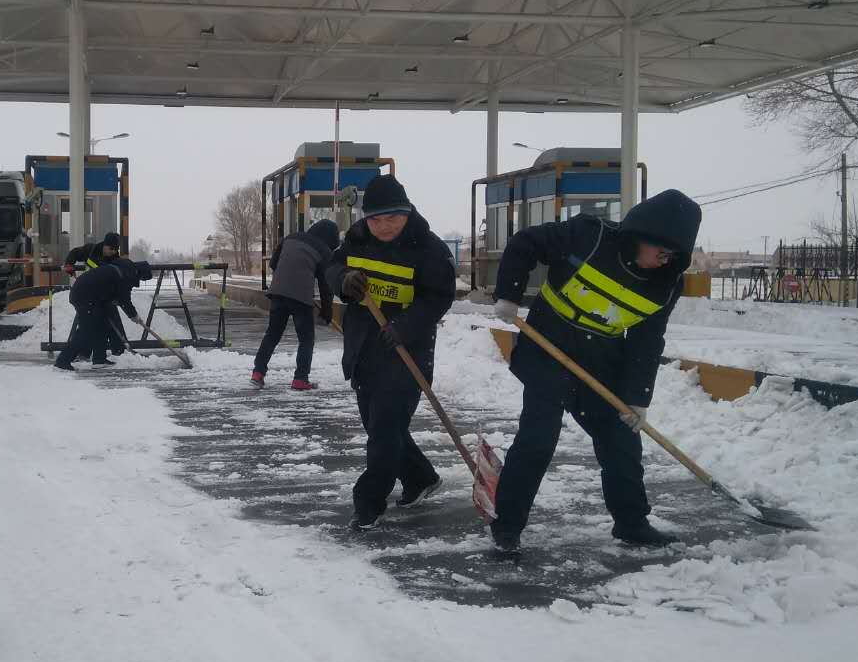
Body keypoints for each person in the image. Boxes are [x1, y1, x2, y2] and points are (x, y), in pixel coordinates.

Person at [487, 189, 702, 552]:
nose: (664, 262)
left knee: (621, 440)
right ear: (643, 235)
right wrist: (509, 295)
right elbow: (525, 243)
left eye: (673, 257)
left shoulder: (666, 284)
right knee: (539, 437)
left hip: (600, 362)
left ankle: (632, 523)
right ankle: (507, 524)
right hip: (547, 349)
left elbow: (647, 341)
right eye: (661, 252)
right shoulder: (590, 236)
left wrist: (636, 398)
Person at [326, 175, 455, 530]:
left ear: (407, 213)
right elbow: (331, 267)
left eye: (392, 218)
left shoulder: (429, 249)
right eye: (376, 219)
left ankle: (369, 502)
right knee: (382, 426)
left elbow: (438, 297)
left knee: (384, 429)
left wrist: (406, 326)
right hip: (363, 349)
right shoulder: (356, 240)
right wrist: (343, 279)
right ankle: (421, 478)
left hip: (405, 352)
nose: (383, 227)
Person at [251, 219, 340, 391]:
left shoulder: (290, 238)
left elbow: (273, 264)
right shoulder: (324, 251)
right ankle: (300, 379)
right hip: (301, 298)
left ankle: (258, 373)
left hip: (277, 293)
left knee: (272, 334)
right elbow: (326, 286)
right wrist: (327, 313)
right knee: (306, 340)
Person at [53, 256, 152, 370]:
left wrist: (114, 298)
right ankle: (63, 361)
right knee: (87, 330)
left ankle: (99, 359)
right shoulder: (127, 275)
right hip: (85, 296)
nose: (140, 281)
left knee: (101, 325)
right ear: (139, 273)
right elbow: (125, 300)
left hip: (90, 295)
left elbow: (113, 288)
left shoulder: (123, 269)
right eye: (142, 278)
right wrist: (133, 316)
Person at [63, 233, 126, 355]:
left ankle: (118, 352)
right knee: (87, 324)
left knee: (111, 321)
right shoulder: (91, 250)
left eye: (116, 249)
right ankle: (83, 353)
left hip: (103, 295)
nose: (113, 252)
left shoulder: (115, 260)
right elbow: (75, 253)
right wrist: (69, 264)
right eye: (111, 249)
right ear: (104, 245)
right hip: (86, 294)